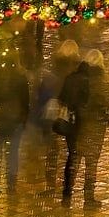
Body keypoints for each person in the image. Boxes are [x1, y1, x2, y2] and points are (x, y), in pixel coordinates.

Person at [60, 49, 109, 207]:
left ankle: (66, 196)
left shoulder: (72, 78)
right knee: (91, 164)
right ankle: (88, 199)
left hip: (75, 127)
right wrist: (106, 119)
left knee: (73, 159)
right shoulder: (103, 82)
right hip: (95, 129)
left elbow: (62, 98)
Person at [0, 50, 31, 195]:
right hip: (15, 119)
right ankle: (11, 185)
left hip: (0, 119)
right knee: (13, 153)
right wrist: (24, 119)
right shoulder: (21, 78)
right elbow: (25, 101)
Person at [36, 39, 80, 188]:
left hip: (52, 112)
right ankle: (68, 184)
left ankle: (50, 183)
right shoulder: (75, 70)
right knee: (71, 150)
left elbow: (43, 90)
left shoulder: (55, 68)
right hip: (67, 111)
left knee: (52, 150)